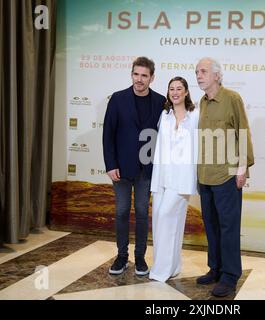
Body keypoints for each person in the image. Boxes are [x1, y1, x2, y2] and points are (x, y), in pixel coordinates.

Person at [194, 57, 254, 297]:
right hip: (205, 175)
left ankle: (230, 276)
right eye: (197, 71)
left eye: (204, 71)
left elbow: (243, 132)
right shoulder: (202, 101)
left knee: (229, 227)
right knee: (211, 225)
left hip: (227, 175)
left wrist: (242, 168)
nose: (198, 75)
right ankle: (215, 268)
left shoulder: (232, 98)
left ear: (217, 75)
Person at [103, 57, 165, 276]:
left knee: (141, 212)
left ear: (151, 78)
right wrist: (110, 164)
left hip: (147, 169)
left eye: (144, 75)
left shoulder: (160, 101)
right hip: (120, 168)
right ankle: (121, 257)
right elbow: (108, 134)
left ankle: (140, 258)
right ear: (131, 75)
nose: (139, 79)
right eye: (136, 74)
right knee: (121, 212)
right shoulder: (118, 99)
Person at [149, 77, 199, 282]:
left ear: (186, 92)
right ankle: (174, 266)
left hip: (182, 180)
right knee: (162, 222)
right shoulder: (164, 115)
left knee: (166, 217)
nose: (175, 92)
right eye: (172, 89)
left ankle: (161, 270)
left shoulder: (195, 115)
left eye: (179, 88)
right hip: (162, 177)